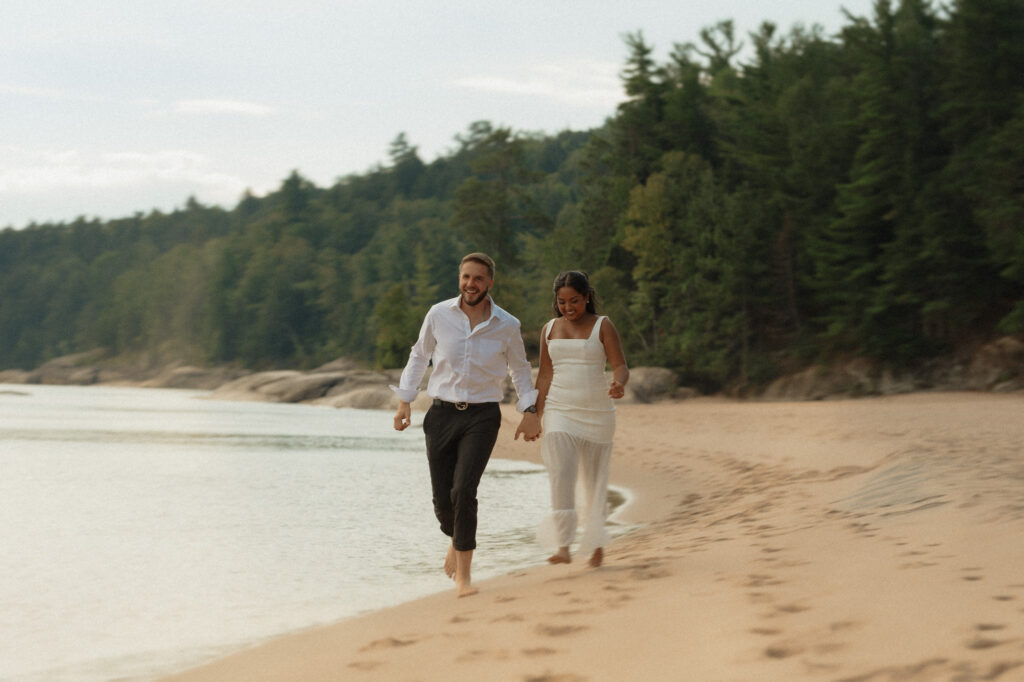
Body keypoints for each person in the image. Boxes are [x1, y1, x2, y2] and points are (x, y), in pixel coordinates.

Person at [392, 252, 541, 598]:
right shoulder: (438, 314)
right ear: (459, 279)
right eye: (465, 277)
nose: (470, 284)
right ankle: (456, 539)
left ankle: (464, 577)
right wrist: (404, 401)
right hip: (441, 414)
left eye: (477, 278)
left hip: (483, 416)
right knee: (443, 502)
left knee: (464, 491)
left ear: (490, 283)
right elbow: (419, 356)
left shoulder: (508, 324)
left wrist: (529, 409)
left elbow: (519, 369)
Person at [534, 270, 628, 568]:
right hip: (560, 409)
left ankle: (596, 541)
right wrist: (534, 414)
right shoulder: (549, 328)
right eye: (562, 302)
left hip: (597, 412)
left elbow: (621, 365)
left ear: (587, 297)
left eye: (574, 300)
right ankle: (564, 545)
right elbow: (545, 374)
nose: (568, 307)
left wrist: (619, 383)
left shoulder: (603, 325)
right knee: (561, 471)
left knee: (594, 478)